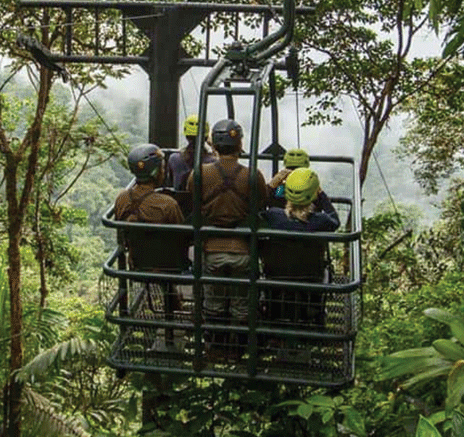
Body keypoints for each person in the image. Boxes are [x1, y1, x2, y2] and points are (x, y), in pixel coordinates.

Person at [187, 119, 269, 355]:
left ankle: (216, 346)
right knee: (242, 304)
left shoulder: (200, 174)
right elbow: (261, 204)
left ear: (214, 144)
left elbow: (194, 200)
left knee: (213, 301)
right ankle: (240, 349)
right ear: (239, 143)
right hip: (243, 251)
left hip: (211, 250)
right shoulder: (252, 175)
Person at [115, 143, 186, 352]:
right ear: (156, 171)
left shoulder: (121, 198)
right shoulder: (167, 204)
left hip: (137, 264)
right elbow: (182, 235)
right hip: (168, 267)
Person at [259, 168, 339, 328]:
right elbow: (335, 219)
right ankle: (317, 316)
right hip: (310, 287)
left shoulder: (272, 217)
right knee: (326, 271)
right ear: (313, 195)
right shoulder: (321, 221)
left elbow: (255, 208)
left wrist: (272, 186)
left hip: (276, 285)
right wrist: (321, 194)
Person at [168, 114, 217, 190]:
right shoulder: (212, 162)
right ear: (206, 137)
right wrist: (213, 146)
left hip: (181, 201)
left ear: (186, 136)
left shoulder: (174, 159)